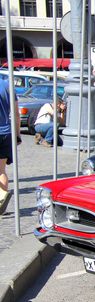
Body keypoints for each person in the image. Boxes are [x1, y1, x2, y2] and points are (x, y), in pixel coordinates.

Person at [0, 78, 21, 215]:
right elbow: (16, 114)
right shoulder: (7, 85)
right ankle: (1, 199)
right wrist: (18, 134)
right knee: (1, 171)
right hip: (6, 133)